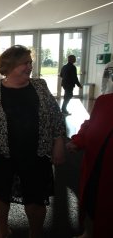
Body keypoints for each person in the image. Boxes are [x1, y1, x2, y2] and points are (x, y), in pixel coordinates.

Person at [0, 45, 65, 238]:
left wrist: (59, 142)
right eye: (24, 63)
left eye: (30, 62)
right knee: (1, 193)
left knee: (36, 198)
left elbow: (55, 115)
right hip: (2, 152)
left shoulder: (40, 85)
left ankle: (35, 233)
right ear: (10, 66)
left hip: (36, 153)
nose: (29, 67)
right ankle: (3, 230)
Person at [66, 93, 113, 238]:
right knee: (91, 200)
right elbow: (90, 123)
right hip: (96, 164)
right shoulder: (105, 100)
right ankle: (89, 232)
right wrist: (79, 140)